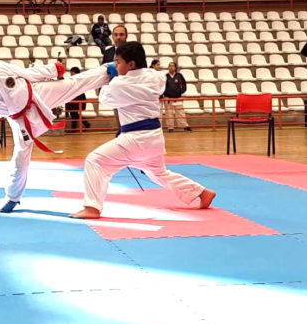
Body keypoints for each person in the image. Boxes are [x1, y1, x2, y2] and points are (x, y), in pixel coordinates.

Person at [0, 46, 112, 213]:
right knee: (20, 157)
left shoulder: (0, 67)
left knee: (72, 84)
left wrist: (52, 70)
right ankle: (12, 197)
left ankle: (108, 70)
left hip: (38, 94)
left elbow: (27, 74)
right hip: (19, 120)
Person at [70, 42, 215, 219]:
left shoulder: (119, 84)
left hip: (135, 139)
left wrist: (112, 78)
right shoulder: (155, 76)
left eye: (118, 62)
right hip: (154, 137)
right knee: (159, 173)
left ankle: (92, 207)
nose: (116, 65)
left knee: (95, 161)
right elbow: (159, 83)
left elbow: (104, 100)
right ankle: (202, 192)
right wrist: (117, 77)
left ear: (130, 64)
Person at [164, 61, 191, 132]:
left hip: (178, 98)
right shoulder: (165, 76)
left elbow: (184, 84)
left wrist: (181, 91)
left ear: (175, 67)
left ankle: (184, 126)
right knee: (169, 114)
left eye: (172, 66)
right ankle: (170, 127)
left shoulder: (179, 75)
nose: (171, 67)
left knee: (180, 113)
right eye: (169, 66)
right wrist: (165, 94)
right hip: (168, 98)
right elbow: (162, 87)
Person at [65, 66, 91, 131]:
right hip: (76, 98)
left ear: (74, 72)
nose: (71, 74)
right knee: (74, 114)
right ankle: (85, 124)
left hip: (77, 98)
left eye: (71, 72)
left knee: (74, 113)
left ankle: (75, 128)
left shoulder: (77, 79)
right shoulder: (77, 79)